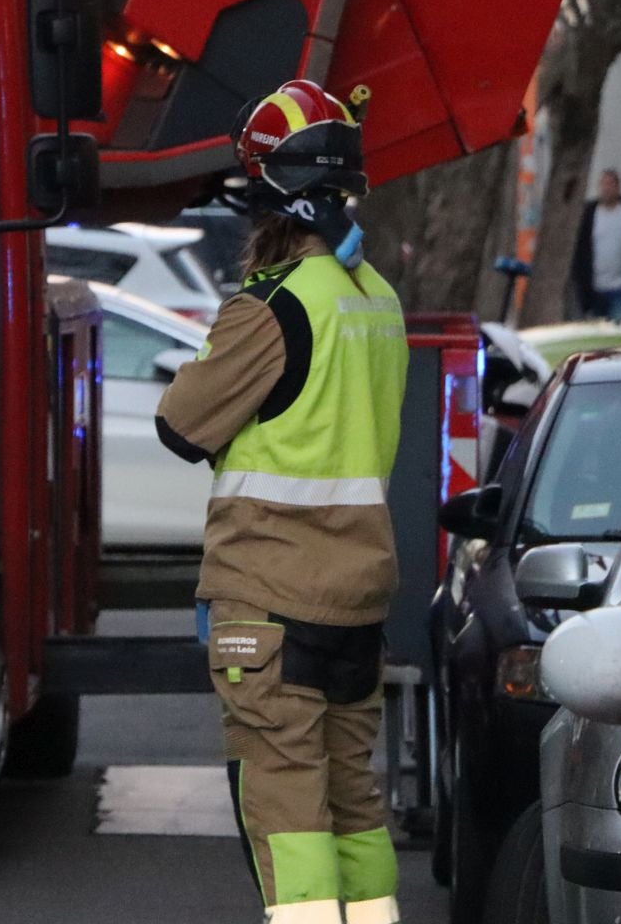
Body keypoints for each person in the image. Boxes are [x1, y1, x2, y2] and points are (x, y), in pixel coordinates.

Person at [155, 81, 408, 924]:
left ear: (272, 198)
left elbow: (181, 426)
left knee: (287, 807)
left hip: (270, 598)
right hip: (356, 596)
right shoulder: (378, 301)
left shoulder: (270, 309)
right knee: (353, 802)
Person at [570, 169, 621, 321]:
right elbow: (580, 252)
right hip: (595, 290)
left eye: (610, 184)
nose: (606, 188)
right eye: (603, 184)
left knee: (619, 332)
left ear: (618, 187)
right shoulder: (589, 215)